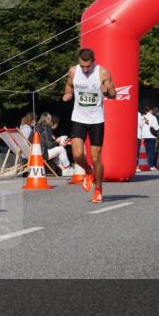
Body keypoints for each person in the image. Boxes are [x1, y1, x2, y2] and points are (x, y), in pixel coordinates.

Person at [62, 48, 116, 203]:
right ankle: (88, 171)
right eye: (82, 66)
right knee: (77, 155)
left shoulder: (102, 73)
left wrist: (106, 92)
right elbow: (69, 85)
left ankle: (98, 190)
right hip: (79, 118)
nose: (85, 69)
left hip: (96, 120)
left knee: (95, 157)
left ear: (94, 61)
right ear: (79, 62)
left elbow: (114, 94)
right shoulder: (73, 71)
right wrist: (68, 94)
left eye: (88, 66)